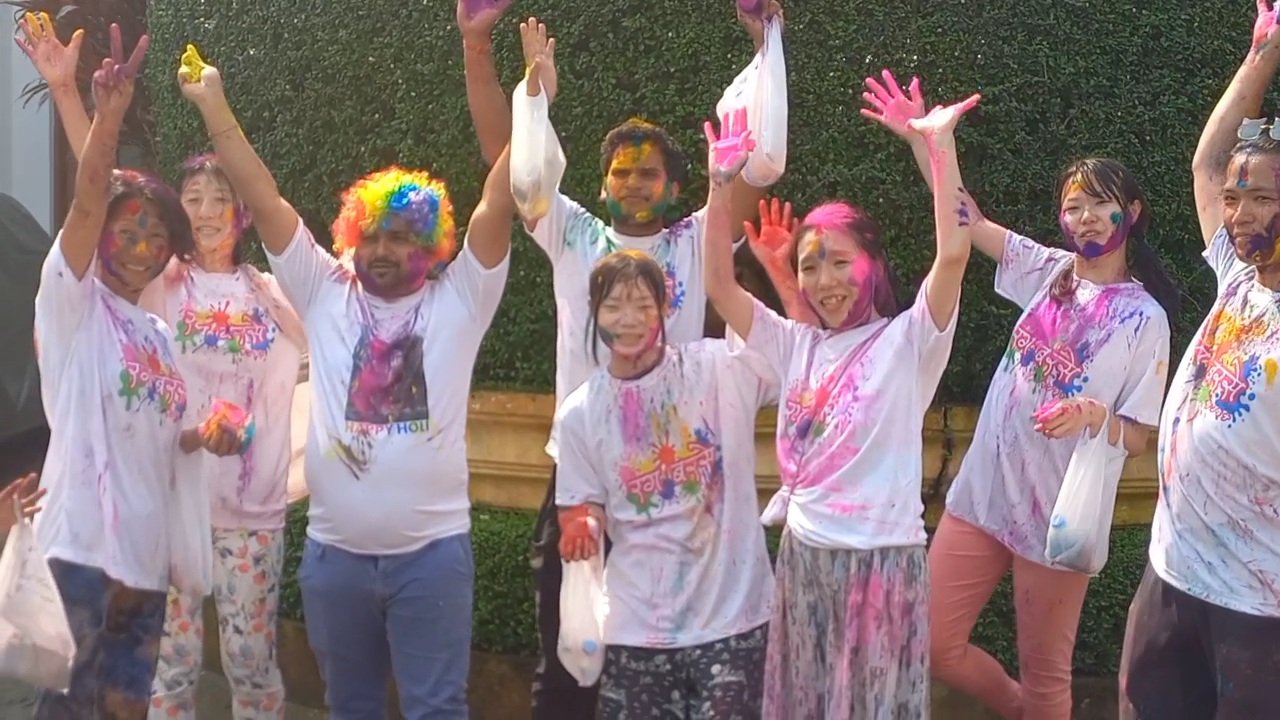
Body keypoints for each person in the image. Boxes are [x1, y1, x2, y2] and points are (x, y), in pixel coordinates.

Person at [455, 5, 789, 715]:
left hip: (683, 487)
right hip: (585, 477)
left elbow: (752, 170)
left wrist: (767, 51)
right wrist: (481, 49)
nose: (634, 183)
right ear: (602, 184)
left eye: (650, 174)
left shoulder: (700, 240)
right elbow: (505, 158)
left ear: (673, 188)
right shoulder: (571, 231)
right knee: (567, 651)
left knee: (667, 655)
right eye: (621, 172)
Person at [175, 35, 516, 718]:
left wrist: (493, 64)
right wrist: (214, 105)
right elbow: (262, 193)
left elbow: (503, 188)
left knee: (436, 709)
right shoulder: (323, 289)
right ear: (351, 238)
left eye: (401, 236)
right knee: (349, 707)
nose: (384, 250)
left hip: (432, 560)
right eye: (373, 236)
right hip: (335, 562)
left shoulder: (461, 299)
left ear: (431, 246)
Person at [859, 71, 1179, 718]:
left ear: (1132, 212)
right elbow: (965, 218)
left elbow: (1142, 435)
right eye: (1073, 205)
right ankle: (1013, 708)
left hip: (1057, 521)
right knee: (931, 643)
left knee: (1049, 682)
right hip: (981, 497)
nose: (1085, 216)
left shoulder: (1145, 319)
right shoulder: (1047, 270)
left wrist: (1096, 417)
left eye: (1100, 202)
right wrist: (928, 142)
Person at [17, 19, 307, 717]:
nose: (144, 245)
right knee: (80, 706)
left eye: (156, 234)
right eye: (130, 231)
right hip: (86, 557)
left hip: (151, 561)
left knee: (132, 705)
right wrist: (87, 105)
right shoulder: (78, 302)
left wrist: (207, 434)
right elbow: (92, 199)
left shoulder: (157, 330)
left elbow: (170, 429)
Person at [707, 80, 980, 715]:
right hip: (804, 557)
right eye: (809, 266)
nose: (824, 281)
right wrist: (720, 185)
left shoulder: (910, 342)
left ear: (872, 265)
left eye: (838, 262)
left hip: (883, 566)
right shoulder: (793, 344)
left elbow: (956, 251)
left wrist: (938, 149)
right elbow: (719, 284)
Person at [554, 131, 778, 717]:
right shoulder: (580, 412)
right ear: (593, 315)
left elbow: (789, 355)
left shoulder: (716, 372)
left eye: (643, 305)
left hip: (731, 622)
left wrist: (725, 186)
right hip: (634, 630)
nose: (628, 320)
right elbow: (580, 502)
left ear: (667, 310)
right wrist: (580, 521)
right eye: (613, 306)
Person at [1120, 3, 1280, 717]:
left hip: (1257, 601)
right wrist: (1262, 58)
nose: (1238, 212)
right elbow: (1206, 161)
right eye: (1236, 199)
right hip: (1172, 573)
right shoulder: (1237, 274)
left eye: (1261, 199)